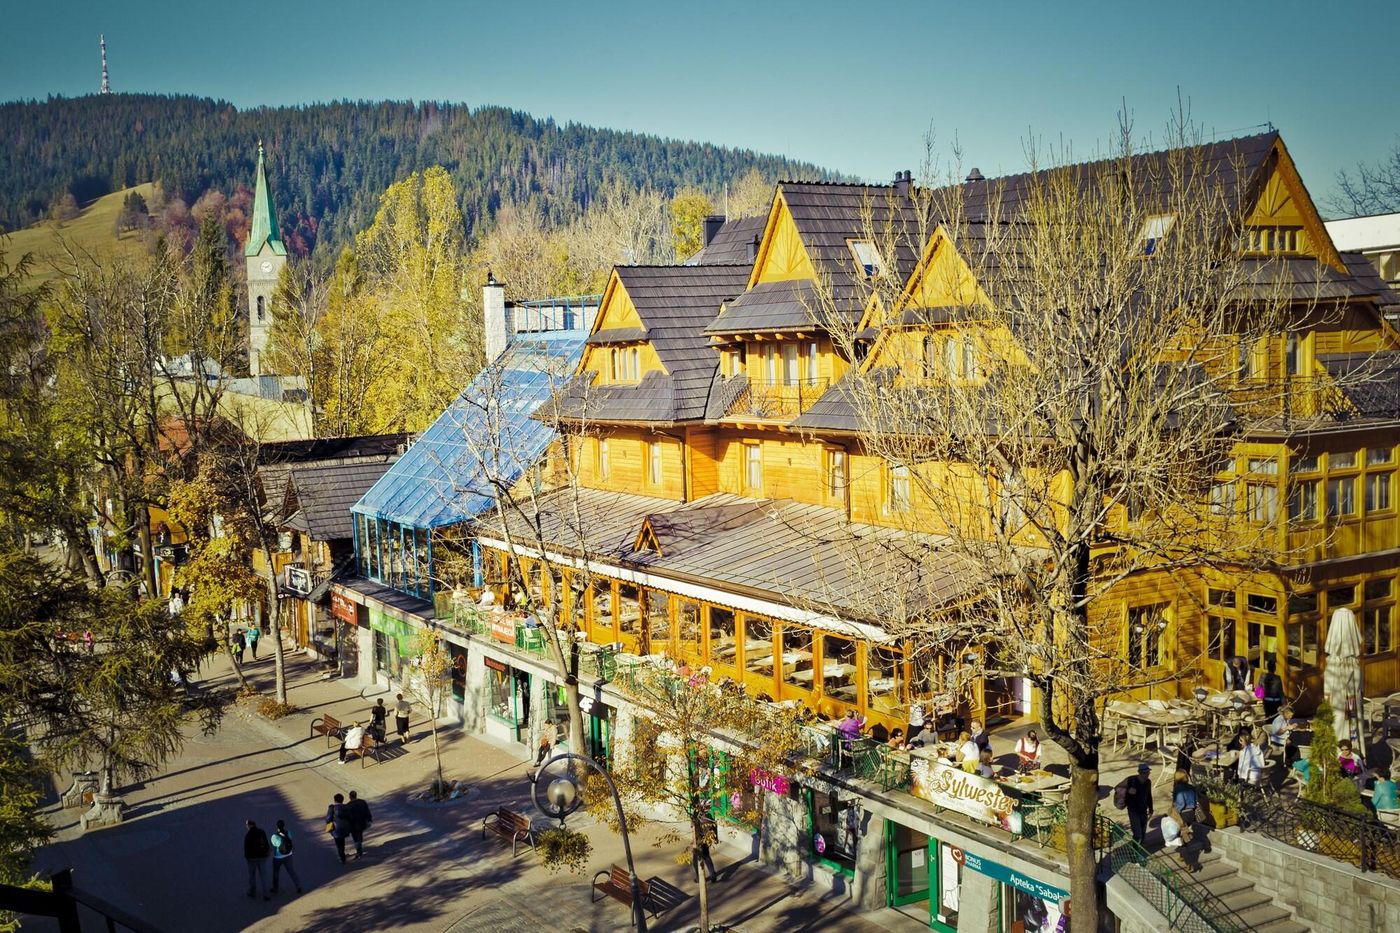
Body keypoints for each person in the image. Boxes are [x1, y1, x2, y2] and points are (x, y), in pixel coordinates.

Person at [269, 819, 303, 895]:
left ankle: (275, 889)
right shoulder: (288, 833)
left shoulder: (274, 836)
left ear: (277, 826)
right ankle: (298, 886)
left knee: (276, 873)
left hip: (278, 857)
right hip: (288, 855)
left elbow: (273, 846)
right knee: (291, 871)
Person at [1125, 763, 1154, 844]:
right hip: (1133, 811)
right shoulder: (1132, 780)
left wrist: (1151, 809)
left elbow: (1149, 796)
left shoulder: (1148, 782)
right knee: (1138, 834)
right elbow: (1120, 791)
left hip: (1143, 810)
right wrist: (1128, 792)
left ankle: (1139, 849)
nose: (1147, 775)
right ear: (1140, 773)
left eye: (1148, 773)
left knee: (1143, 834)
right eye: (1145, 773)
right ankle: (1134, 853)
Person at [243, 819, 271, 900]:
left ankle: (253, 892)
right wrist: (267, 852)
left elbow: (246, 849)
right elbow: (265, 842)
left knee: (252, 876)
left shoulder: (248, 835)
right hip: (262, 857)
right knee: (263, 876)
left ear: (250, 825)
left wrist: (247, 858)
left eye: (247, 825)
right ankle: (266, 894)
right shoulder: (261, 831)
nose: (246, 826)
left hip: (252, 859)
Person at [692, 811, 719, 885]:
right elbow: (714, 827)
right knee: (707, 857)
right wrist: (715, 840)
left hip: (699, 842)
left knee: (695, 861)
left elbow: (694, 829)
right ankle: (713, 876)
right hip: (707, 841)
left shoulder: (698, 817)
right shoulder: (708, 815)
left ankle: (699, 878)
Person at [325, 794, 351, 864]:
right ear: (342, 800)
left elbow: (328, 819)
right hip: (345, 828)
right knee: (342, 842)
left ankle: (342, 857)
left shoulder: (332, 808)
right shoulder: (346, 807)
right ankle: (343, 853)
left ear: (335, 800)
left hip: (336, 829)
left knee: (338, 843)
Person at [346, 790, 373, 859]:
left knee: (355, 838)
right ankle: (359, 847)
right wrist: (369, 820)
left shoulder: (348, 805)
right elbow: (367, 811)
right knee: (359, 835)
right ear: (356, 795)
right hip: (362, 822)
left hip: (353, 825)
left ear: (350, 797)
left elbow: (347, 816)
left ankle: (359, 851)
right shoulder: (362, 802)